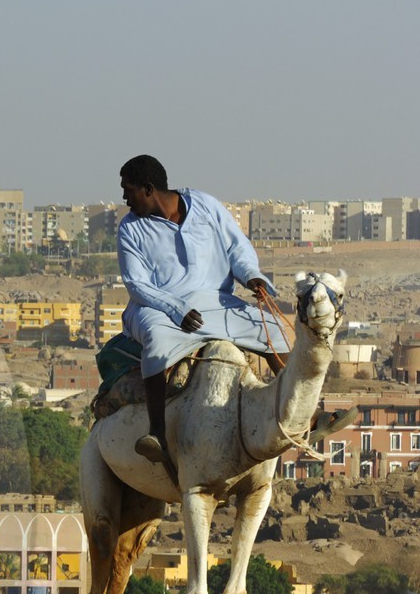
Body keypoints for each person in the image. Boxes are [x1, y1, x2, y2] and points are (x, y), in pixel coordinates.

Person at [117, 154, 352, 466]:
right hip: (156, 306)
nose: (124, 197)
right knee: (157, 343)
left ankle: (309, 415)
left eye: (128, 190)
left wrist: (252, 276)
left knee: (276, 333)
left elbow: (236, 249)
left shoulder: (206, 206)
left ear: (148, 189)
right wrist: (175, 309)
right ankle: (157, 433)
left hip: (214, 301)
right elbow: (137, 284)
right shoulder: (130, 229)